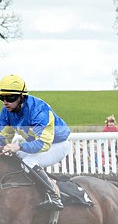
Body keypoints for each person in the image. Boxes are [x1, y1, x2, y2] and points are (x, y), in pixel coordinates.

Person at [0, 74, 71, 210]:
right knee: (15, 159)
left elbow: (42, 144)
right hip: (38, 145)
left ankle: (53, 196)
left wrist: (18, 146)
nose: (5, 102)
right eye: (2, 97)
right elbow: (3, 138)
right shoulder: (6, 112)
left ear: (22, 96)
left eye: (10, 97)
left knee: (29, 162)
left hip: (57, 145)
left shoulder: (39, 110)